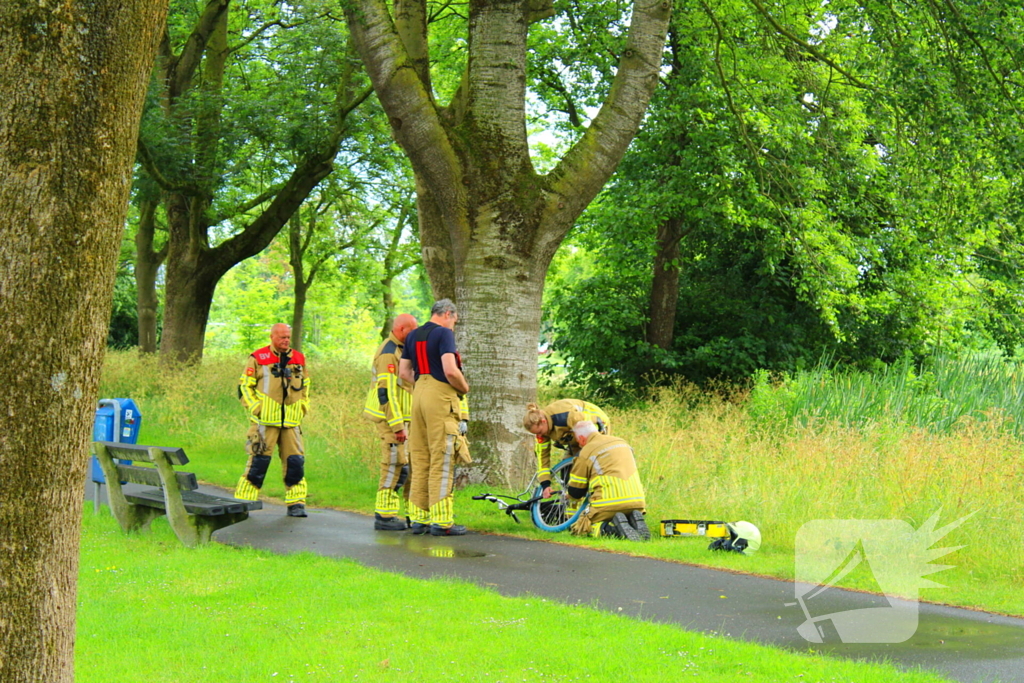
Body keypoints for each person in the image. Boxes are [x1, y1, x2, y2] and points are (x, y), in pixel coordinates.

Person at [399, 299, 471, 536]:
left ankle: (419, 519)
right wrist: (464, 387)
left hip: (418, 395)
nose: (454, 325)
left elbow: (404, 372)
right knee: (442, 457)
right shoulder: (444, 334)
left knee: (420, 457)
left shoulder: (413, 335)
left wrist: (422, 384)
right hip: (439, 397)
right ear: (448, 313)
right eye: (454, 320)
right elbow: (450, 370)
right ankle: (442, 521)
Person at [234, 323, 311, 518]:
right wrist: (256, 408)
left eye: (288, 337)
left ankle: (297, 503)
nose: (286, 340)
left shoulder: (299, 358)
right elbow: (244, 387)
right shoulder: (258, 358)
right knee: (258, 462)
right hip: (265, 422)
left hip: (291, 422)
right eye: (282, 337)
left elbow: (306, 386)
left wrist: (303, 406)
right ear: (272, 337)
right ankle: (244, 501)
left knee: (295, 463)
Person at [363, 313, 419, 531]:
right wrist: (397, 426)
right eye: (412, 330)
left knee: (407, 466)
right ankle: (384, 516)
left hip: (404, 419)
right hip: (391, 419)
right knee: (394, 465)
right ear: (402, 329)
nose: (415, 333)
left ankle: (412, 514)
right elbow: (386, 393)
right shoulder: (389, 353)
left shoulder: (402, 349)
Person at [565, 420, 649, 541]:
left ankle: (612, 531)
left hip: (608, 504)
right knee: (622, 512)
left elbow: (576, 491)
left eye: (578, 441)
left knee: (582, 526)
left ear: (582, 439)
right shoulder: (622, 442)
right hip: (638, 501)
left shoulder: (586, 451)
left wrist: (569, 495)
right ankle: (632, 522)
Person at [523, 399, 611, 498]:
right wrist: (545, 485)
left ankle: (599, 494)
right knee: (567, 468)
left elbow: (592, 429)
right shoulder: (543, 431)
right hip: (574, 436)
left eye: (539, 432)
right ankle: (572, 501)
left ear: (544, 421)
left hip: (596, 425)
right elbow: (542, 459)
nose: (539, 436)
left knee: (584, 462)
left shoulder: (566, 417)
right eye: (536, 434)